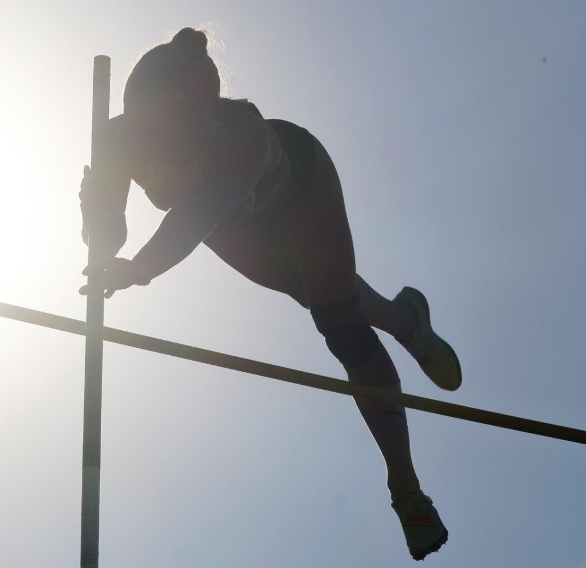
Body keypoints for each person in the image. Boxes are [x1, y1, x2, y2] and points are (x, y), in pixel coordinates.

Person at [79, 27, 461, 562]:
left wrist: (138, 270)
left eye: (191, 127)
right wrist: (96, 211)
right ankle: (407, 320)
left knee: (340, 326)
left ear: (205, 108)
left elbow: (191, 218)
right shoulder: (118, 139)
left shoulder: (242, 134)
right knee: (322, 297)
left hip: (299, 190)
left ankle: (406, 490)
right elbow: (111, 235)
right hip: (231, 223)